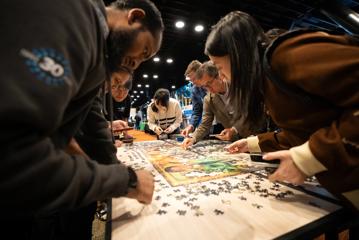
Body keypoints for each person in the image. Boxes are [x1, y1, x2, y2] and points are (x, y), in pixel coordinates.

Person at [0, 0, 164, 238]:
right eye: (144, 51)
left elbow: (90, 126)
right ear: (135, 17)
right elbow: (16, 157)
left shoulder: (97, 56)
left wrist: (114, 170)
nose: (135, 64)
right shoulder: (77, 17)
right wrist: (123, 180)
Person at [205, 11, 359, 210]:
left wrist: (309, 157)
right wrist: (253, 143)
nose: (221, 75)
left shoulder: (287, 55)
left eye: (218, 66)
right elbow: (306, 130)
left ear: (237, 56)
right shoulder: (266, 79)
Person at [181, 61, 266, 149]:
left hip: (260, 135)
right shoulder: (208, 99)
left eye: (209, 83)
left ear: (219, 76)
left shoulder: (239, 87)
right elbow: (205, 124)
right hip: (237, 140)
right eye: (204, 86)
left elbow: (252, 112)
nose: (208, 89)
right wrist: (193, 138)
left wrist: (234, 129)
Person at [181, 60, 207, 136]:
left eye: (194, 78)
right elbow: (197, 111)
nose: (193, 83)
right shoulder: (195, 90)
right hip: (207, 123)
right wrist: (191, 126)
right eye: (191, 80)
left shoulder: (216, 82)